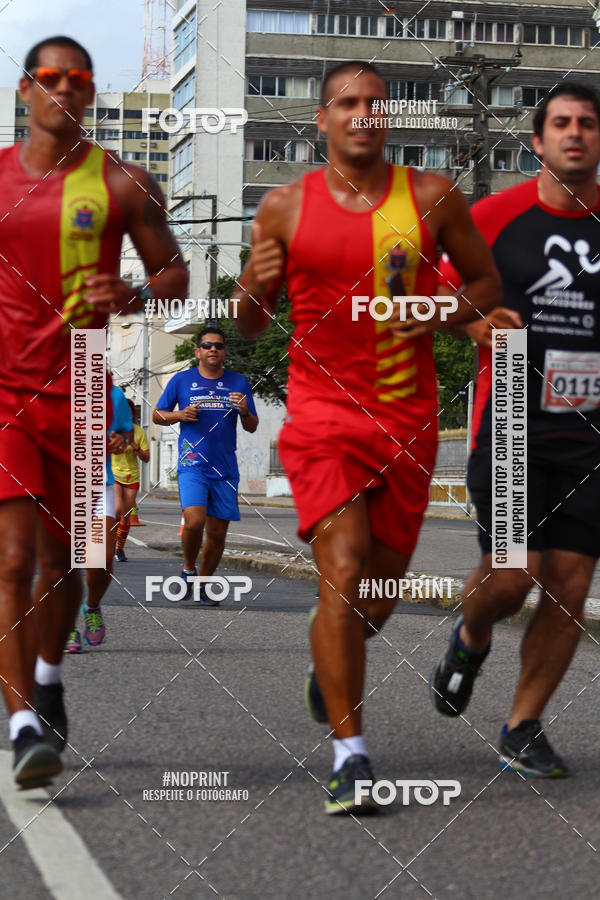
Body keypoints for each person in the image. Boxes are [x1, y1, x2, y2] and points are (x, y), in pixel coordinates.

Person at [232, 60, 501, 813]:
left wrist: (438, 312)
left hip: (408, 421)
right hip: (323, 418)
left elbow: (484, 285)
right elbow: (250, 322)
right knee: (344, 571)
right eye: (347, 102)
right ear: (322, 119)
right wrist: (252, 281)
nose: (363, 113)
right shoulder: (284, 206)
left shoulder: (433, 197)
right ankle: (350, 757)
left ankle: (331, 657)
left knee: (374, 599)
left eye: (376, 102)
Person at [0, 35, 188, 787]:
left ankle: (48, 677)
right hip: (5, 392)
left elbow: (175, 277)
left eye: (79, 78)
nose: (65, 89)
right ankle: (23, 726)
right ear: (26, 89)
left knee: (65, 561)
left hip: (81, 387)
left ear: (91, 91)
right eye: (51, 77)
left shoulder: (122, 181)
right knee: (12, 561)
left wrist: (135, 293)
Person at [431, 82, 600, 777]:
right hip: (511, 423)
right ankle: (471, 634)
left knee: (570, 582)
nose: (575, 133)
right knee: (511, 575)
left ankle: (522, 725)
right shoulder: (495, 217)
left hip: (591, 435)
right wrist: (475, 325)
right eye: (561, 123)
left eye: (588, 123)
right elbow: (434, 299)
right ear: (538, 141)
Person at [153, 327, 258, 604]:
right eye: (208, 345)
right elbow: (157, 415)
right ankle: (189, 569)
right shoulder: (181, 380)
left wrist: (245, 411)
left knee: (217, 533)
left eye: (219, 346)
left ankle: (204, 584)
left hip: (225, 469)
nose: (213, 349)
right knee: (195, 520)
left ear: (224, 352)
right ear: (197, 351)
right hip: (193, 465)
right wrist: (179, 414)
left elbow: (251, 426)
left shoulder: (238, 382)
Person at [65, 385, 133, 653]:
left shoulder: (113, 394)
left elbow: (126, 437)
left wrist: (119, 442)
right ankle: (66, 626)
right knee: (62, 561)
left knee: (100, 560)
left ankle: (92, 606)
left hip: (98, 487)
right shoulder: (45, 387)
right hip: (59, 484)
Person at [112, 398, 150, 562]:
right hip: (113, 475)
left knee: (126, 516)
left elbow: (146, 458)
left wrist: (135, 446)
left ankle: (119, 548)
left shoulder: (139, 432)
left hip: (131, 477)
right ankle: (111, 542)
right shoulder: (110, 430)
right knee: (116, 510)